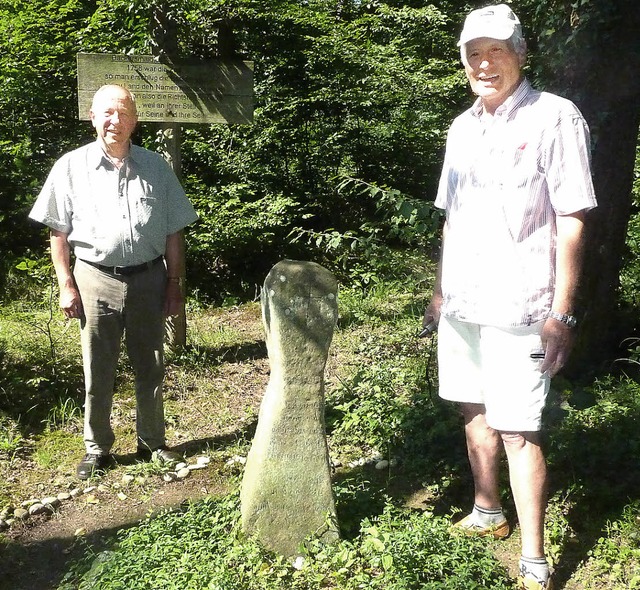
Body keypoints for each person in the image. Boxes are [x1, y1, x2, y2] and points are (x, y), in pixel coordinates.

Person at [422, 5, 596, 590]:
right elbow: (451, 219)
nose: (484, 63)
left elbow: (571, 219)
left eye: (496, 50)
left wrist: (562, 312)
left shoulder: (555, 117)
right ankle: (487, 508)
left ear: (521, 54)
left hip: (523, 304)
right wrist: (440, 292)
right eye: (473, 53)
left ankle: (535, 556)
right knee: (474, 410)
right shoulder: (461, 127)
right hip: (464, 303)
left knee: (520, 429)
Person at [29, 84, 199, 480]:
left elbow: (175, 232)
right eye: (107, 113)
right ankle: (97, 448)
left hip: (149, 278)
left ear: (135, 121)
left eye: (123, 113)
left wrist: (174, 282)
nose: (114, 121)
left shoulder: (157, 167)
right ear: (92, 117)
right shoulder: (70, 167)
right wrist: (65, 283)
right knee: (98, 368)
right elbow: (58, 232)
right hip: (94, 278)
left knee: (150, 365)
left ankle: (152, 443)